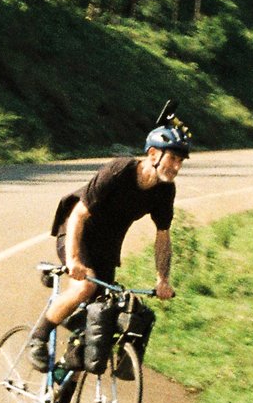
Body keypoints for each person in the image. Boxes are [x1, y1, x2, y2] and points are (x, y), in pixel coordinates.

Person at [29, 122, 188, 375]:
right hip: (76, 233)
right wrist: (73, 260)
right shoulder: (119, 171)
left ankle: (62, 391)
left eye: (180, 161)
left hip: (107, 248)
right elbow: (78, 215)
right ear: (153, 154)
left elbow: (163, 237)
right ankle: (38, 338)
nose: (177, 167)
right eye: (173, 158)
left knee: (100, 322)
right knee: (85, 286)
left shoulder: (164, 190)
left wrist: (163, 280)